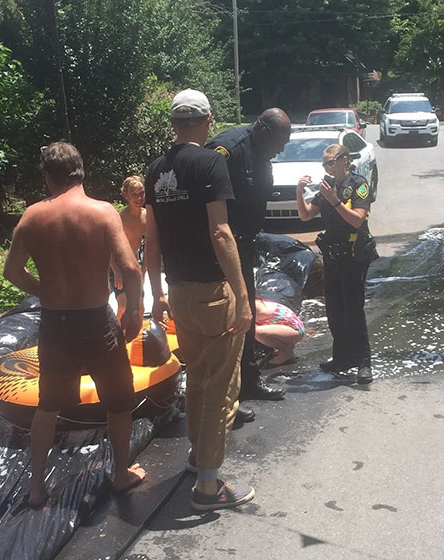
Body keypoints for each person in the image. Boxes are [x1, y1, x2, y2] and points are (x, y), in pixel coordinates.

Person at [4, 141, 145, 508]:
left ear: (49, 176)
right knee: (118, 401)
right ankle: (119, 474)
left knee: (47, 405)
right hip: (96, 319)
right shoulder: (102, 213)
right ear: (81, 172)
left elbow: (11, 271)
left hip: (55, 321)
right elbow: (130, 267)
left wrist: (44, 290)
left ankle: (36, 488)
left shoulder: (33, 216)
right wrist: (134, 311)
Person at [145, 89, 255, 511]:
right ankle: (208, 487)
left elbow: (151, 241)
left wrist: (157, 293)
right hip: (212, 291)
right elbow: (221, 233)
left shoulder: (156, 170)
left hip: (178, 291)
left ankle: (196, 456)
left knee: (196, 376)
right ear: (208, 120)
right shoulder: (212, 162)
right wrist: (242, 295)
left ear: (174, 123)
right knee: (220, 385)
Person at [206, 108, 292, 414]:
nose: (281, 150)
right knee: (231, 319)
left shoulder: (261, 149)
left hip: (245, 246)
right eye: (280, 142)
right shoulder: (227, 151)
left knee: (248, 317)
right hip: (222, 249)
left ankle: (250, 380)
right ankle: (229, 395)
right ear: (264, 130)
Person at [296, 144, 376, 384]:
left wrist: (335, 202)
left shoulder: (359, 184)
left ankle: (363, 362)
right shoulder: (328, 186)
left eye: (330, 162)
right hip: (332, 254)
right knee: (334, 310)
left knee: (353, 310)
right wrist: (298, 191)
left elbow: (357, 220)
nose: (326, 168)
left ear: (343, 160)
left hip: (354, 255)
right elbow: (305, 215)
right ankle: (342, 357)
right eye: (324, 164)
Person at [110, 175, 146, 319]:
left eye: (141, 193)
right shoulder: (120, 218)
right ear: (126, 196)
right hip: (117, 263)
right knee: (123, 304)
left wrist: (144, 269)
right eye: (134, 195)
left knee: (140, 306)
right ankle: (117, 336)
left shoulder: (147, 217)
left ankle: (137, 338)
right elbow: (109, 248)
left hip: (134, 263)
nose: (139, 198)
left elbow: (151, 246)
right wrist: (116, 270)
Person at [254, 298, 305, 367]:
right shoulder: (255, 302)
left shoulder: (254, 307)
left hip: (294, 330)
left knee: (257, 332)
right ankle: (286, 345)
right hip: (286, 328)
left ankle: (286, 351)